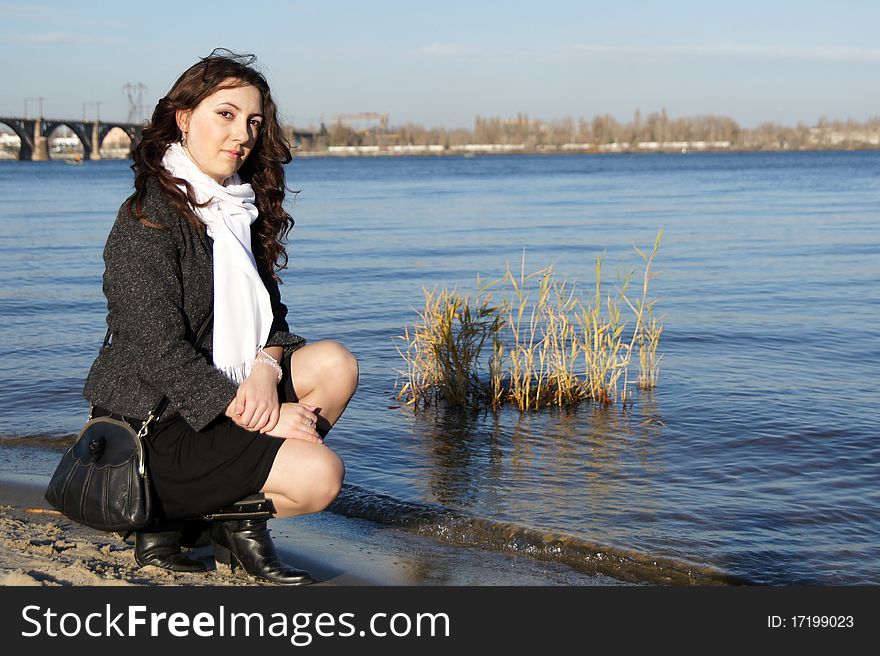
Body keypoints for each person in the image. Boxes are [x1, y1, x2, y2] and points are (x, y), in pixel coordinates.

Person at [82, 49, 358, 585]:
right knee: (321, 477)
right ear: (184, 119)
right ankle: (186, 516)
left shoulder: (236, 209)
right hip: (156, 422)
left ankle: (230, 523)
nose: (244, 134)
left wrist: (265, 369)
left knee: (335, 365)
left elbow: (273, 319)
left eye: (254, 121)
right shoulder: (148, 218)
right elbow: (154, 350)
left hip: (223, 395)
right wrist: (266, 417)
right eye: (226, 114)